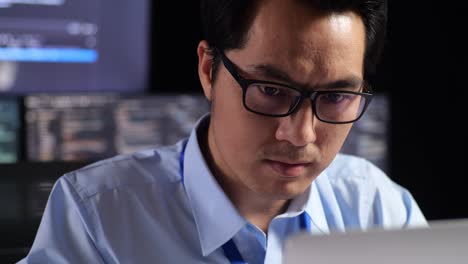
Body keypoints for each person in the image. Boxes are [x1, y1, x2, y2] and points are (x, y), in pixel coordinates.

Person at [19, 0, 427, 263]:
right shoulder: (97, 218)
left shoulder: (378, 207)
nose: (300, 135)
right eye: (270, 90)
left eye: (336, 96)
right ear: (208, 70)